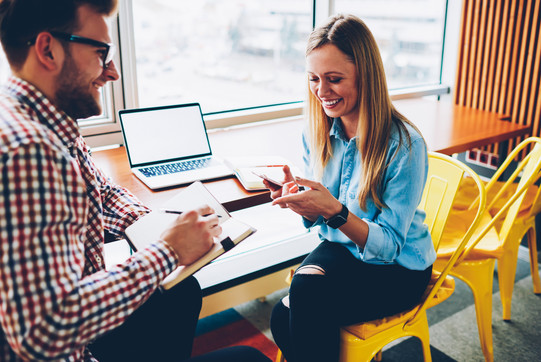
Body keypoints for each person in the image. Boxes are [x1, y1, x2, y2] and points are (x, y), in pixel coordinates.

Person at [0, 0, 270, 361]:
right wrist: (169, 251)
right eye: (101, 52)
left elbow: (103, 193)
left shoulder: (41, 118)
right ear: (48, 49)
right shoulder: (31, 151)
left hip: (73, 320)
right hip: (69, 347)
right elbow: (44, 332)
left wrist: (159, 226)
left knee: (180, 292)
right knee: (249, 358)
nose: (112, 72)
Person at [266, 14, 437, 362]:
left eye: (334, 79)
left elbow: (389, 246)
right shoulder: (315, 133)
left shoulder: (405, 145)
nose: (321, 92)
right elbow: (320, 222)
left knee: (305, 298)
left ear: (366, 76)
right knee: (282, 315)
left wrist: (334, 211)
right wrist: (303, 203)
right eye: (313, 79)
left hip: (400, 268)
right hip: (344, 249)